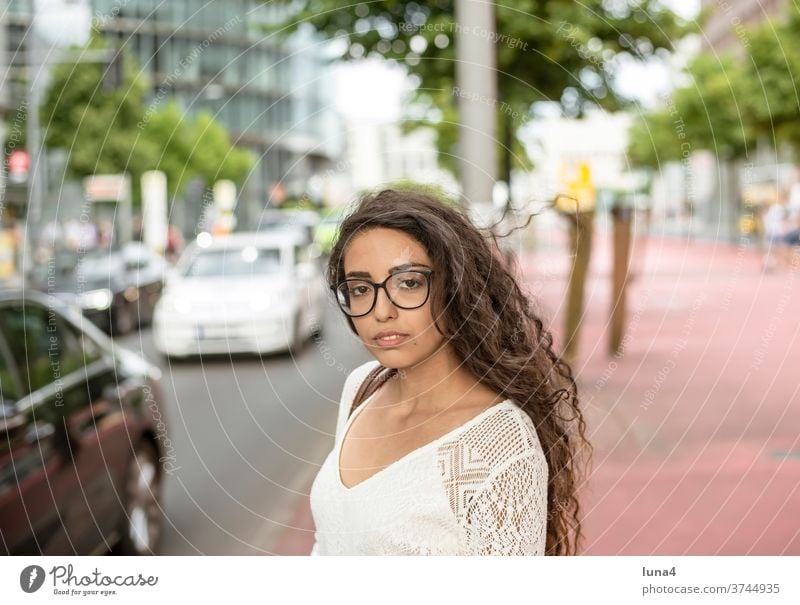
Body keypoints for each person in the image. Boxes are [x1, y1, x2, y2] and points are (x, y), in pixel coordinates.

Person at [309, 188, 591, 556]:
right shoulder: (362, 387)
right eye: (361, 289)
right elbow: (330, 542)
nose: (381, 311)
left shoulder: (499, 445)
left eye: (408, 283)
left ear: (455, 287)